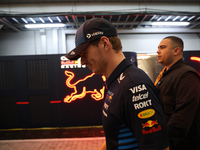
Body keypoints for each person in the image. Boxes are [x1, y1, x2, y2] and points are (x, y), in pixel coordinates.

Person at [65, 17, 169, 150]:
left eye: (85, 53)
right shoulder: (116, 82)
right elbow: (113, 138)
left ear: (104, 43)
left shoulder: (134, 84)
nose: (83, 62)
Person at [155, 36, 200, 150]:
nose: (158, 51)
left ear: (176, 50)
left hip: (179, 145)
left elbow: (182, 116)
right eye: (158, 48)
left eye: (162, 47)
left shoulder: (187, 75)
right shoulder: (165, 75)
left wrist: (165, 143)